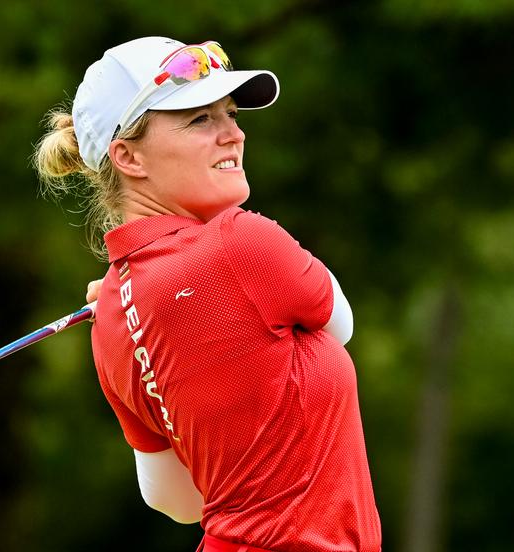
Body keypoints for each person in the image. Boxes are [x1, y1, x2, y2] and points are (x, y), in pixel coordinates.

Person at [33, 36, 381, 552]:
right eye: (200, 120)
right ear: (127, 155)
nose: (234, 135)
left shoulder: (109, 318)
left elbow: (175, 500)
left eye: (232, 113)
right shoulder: (241, 242)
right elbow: (341, 324)